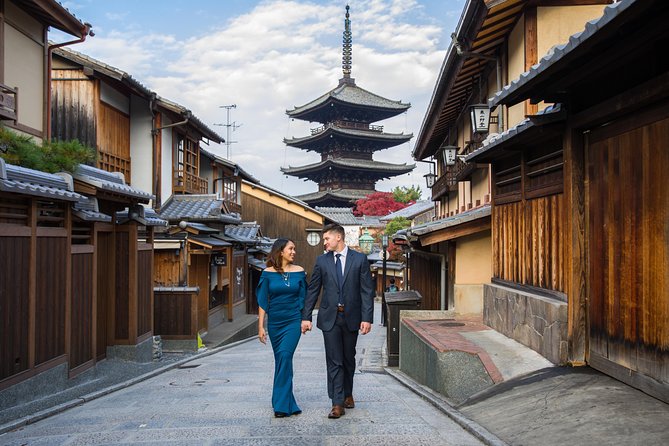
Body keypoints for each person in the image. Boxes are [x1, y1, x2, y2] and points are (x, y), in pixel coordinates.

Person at [301, 224, 375, 419]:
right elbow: (313, 290)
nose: (324, 242)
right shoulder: (322, 261)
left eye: (326, 239)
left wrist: (367, 318)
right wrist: (306, 316)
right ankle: (337, 402)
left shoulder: (359, 260)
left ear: (338, 238)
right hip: (329, 318)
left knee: (348, 359)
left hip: (351, 317)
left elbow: (367, 291)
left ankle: (348, 393)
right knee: (334, 360)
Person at [257, 238, 306, 418]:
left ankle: (280, 405)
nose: (294, 252)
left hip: (293, 320)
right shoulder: (267, 273)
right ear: (280, 252)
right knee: (281, 361)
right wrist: (261, 326)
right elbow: (263, 301)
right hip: (275, 323)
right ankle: (287, 401)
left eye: (294, 249)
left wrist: (305, 319)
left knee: (285, 356)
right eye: (291, 249)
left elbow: (304, 298)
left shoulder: (299, 272)